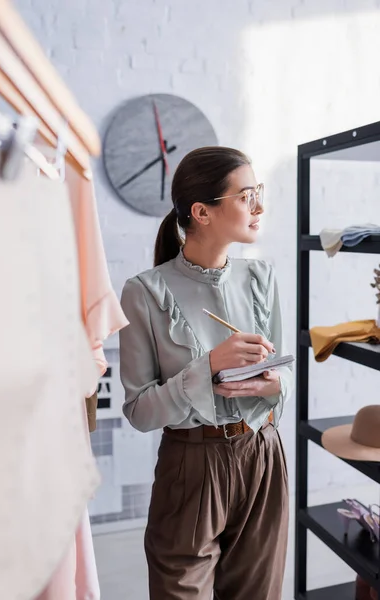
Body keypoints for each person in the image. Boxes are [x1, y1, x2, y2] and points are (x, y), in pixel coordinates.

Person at [119, 146, 293, 600]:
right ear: (202, 212)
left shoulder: (262, 278)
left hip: (264, 453)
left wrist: (274, 384)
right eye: (246, 195)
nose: (259, 207)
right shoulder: (144, 293)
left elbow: (283, 378)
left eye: (259, 193)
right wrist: (209, 366)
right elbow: (139, 411)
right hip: (191, 467)